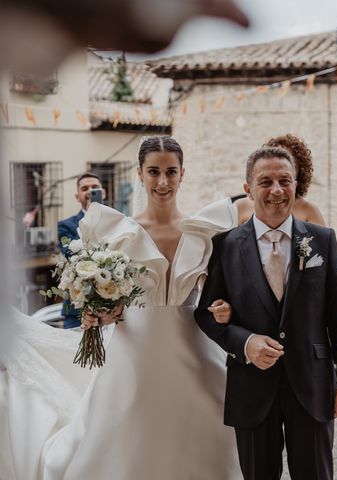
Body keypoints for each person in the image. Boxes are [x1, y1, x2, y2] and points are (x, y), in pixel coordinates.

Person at [0, 136, 242, 480]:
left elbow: (221, 292)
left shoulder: (205, 230)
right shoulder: (115, 231)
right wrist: (98, 314)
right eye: (154, 172)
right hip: (134, 355)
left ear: (183, 174)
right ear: (140, 174)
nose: (163, 182)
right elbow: (108, 303)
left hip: (197, 350)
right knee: (125, 440)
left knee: (210, 434)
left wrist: (224, 309)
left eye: (171, 172)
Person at [194, 145, 337, 480]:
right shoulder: (224, 246)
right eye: (265, 181)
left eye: (285, 180)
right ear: (248, 189)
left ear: (296, 185)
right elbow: (206, 314)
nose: (276, 190)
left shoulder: (322, 240)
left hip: (311, 384)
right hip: (251, 386)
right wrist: (245, 342)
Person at [235, 134, 326, 226]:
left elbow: (320, 239)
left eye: (289, 161)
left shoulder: (309, 210)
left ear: (299, 169)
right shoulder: (241, 206)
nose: (279, 165)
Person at [56, 172, 105, 328]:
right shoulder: (65, 225)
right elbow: (72, 255)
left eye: (94, 188)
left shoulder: (118, 221)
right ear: (77, 196)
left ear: (103, 193)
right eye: (85, 188)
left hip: (112, 307)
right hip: (76, 310)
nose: (90, 191)